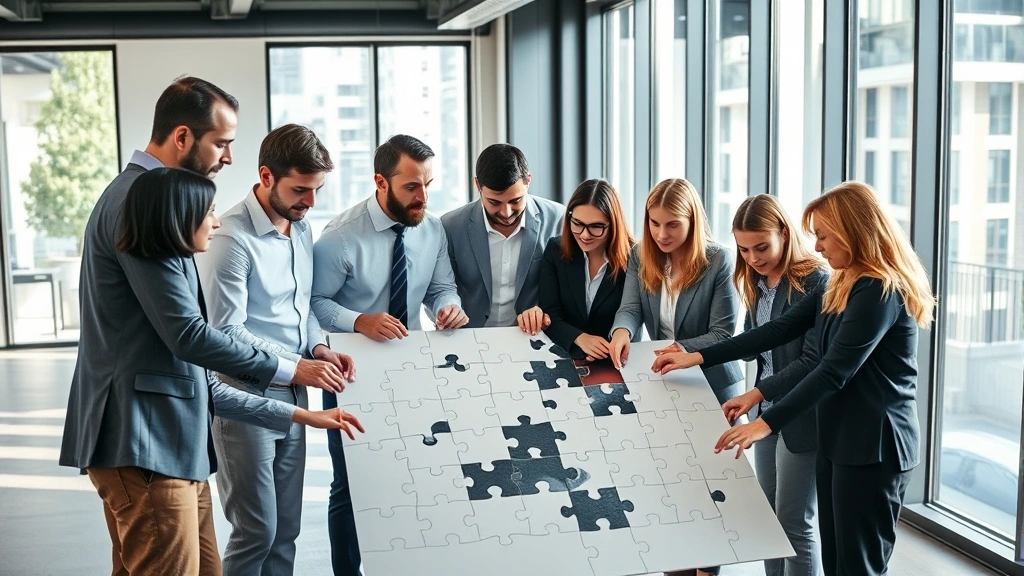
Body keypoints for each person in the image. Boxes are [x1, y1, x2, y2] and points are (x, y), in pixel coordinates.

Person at [64, 165, 362, 576]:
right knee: (240, 538)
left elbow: (206, 389)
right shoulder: (200, 275)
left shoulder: (184, 279)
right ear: (176, 219)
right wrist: (294, 370)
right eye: (208, 211)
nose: (217, 221)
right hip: (148, 448)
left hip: (181, 450)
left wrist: (302, 412)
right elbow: (204, 349)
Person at [653, 182, 935, 576]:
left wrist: (765, 421)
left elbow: (831, 369)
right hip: (841, 439)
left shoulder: (878, 289)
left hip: (875, 445)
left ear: (852, 231)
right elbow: (776, 330)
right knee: (837, 560)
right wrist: (697, 355)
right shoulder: (844, 282)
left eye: (822, 235)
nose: (817, 246)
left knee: (858, 565)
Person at [196, 124, 353, 575]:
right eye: (301, 190)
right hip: (243, 397)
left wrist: (320, 348)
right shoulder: (229, 239)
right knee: (256, 532)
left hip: (295, 392)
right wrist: (297, 367)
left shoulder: (300, 229)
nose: (311, 202)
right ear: (266, 176)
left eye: (317, 190)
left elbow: (301, 308)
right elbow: (226, 332)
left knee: (286, 531)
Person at [311, 134, 468, 576]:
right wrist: (360, 321)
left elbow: (440, 288)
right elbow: (314, 303)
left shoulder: (431, 228)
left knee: (419, 476)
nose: (423, 197)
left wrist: (446, 308)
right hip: (350, 374)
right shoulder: (340, 238)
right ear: (381, 181)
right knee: (350, 485)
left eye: (428, 185)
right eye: (412, 187)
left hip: (414, 371)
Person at [723, 194, 828, 576]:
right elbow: (755, 345)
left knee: (793, 523)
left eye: (762, 247)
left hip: (799, 415)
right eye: (744, 249)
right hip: (765, 415)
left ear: (785, 233)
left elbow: (810, 362)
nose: (753, 257)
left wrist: (755, 393)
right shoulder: (755, 279)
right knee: (768, 521)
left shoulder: (815, 280)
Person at [441, 143, 564, 328]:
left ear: (528, 181)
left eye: (515, 200)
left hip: (532, 338)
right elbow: (440, 288)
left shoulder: (558, 219)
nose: (506, 213)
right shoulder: (450, 226)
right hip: (468, 338)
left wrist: (544, 312)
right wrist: (447, 311)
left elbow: (567, 289)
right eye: (494, 202)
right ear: (477, 186)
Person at [516, 178, 637, 360]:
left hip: (618, 359)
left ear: (613, 224)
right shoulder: (555, 250)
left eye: (596, 227)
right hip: (567, 356)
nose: (584, 235)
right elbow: (551, 316)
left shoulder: (634, 258)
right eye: (578, 223)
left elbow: (634, 313)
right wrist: (580, 338)